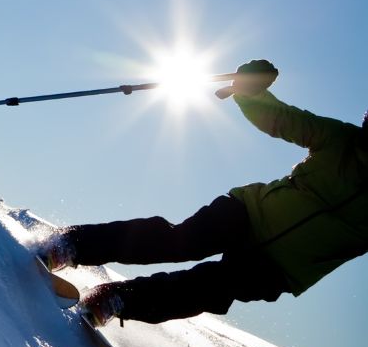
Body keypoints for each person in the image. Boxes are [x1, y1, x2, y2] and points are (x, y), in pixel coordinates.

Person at [37, 60, 368, 326]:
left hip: (281, 267)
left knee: (208, 290)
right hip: (249, 213)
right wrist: (251, 91)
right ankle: (72, 244)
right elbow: (282, 120)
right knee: (179, 240)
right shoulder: (342, 140)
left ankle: (118, 298)